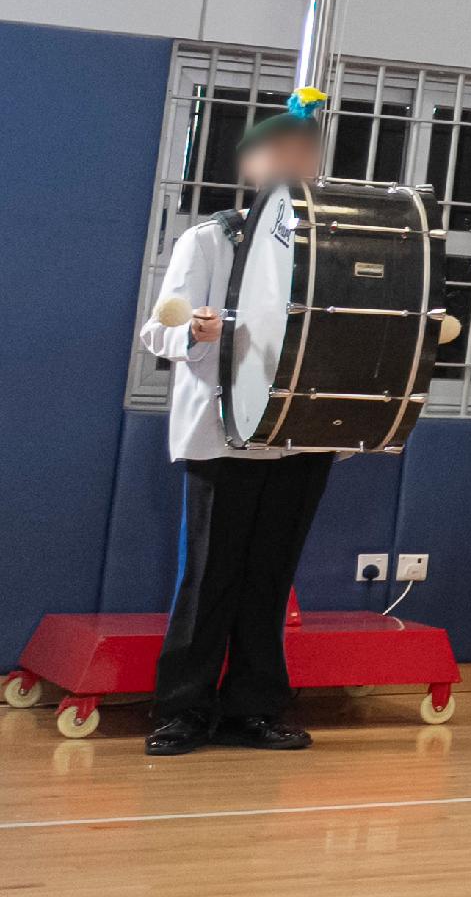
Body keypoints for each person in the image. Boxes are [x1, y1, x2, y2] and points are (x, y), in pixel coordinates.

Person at [139, 101, 339, 756]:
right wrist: (193, 331)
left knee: (270, 579)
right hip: (221, 436)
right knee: (209, 578)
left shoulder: (329, 244)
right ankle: (182, 709)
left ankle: (254, 707)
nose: (295, 165)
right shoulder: (207, 241)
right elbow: (157, 329)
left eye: (305, 155)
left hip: (298, 436)